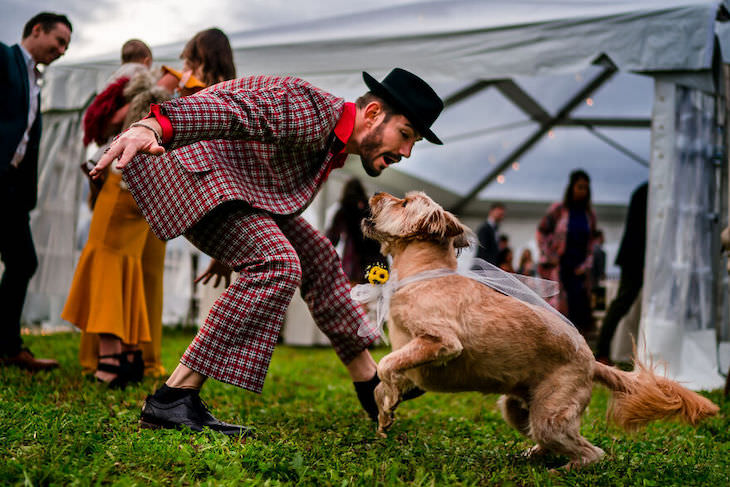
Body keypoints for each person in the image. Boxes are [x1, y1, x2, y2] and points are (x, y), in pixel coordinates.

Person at [91, 68, 444, 434]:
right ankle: (173, 399)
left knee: (318, 257)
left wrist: (230, 243)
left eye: (413, 142)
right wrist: (153, 126)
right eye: (405, 135)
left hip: (227, 188)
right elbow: (232, 109)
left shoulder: (332, 140)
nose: (406, 152)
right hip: (187, 168)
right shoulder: (313, 111)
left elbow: (259, 175)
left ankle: (369, 382)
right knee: (278, 263)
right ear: (372, 114)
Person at [63, 30, 237, 387]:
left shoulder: (178, 85)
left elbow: (117, 123)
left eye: (189, 57)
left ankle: (110, 359)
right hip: (161, 193)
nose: (184, 64)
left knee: (107, 259)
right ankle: (132, 355)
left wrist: (149, 93)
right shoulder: (228, 96)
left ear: (197, 58)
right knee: (138, 271)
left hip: (129, 180)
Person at [0, 12, 72, 371]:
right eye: (59, 41)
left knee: (23, 260)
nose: (62, 50)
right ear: (36, 30)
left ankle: (8, 346)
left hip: (12, 188)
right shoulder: (3, 57)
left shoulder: (36, 80)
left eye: (66, 46)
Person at [536, 169, 597, 336]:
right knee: (558, 307)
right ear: (571, 188)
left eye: (585, 188)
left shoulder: (589, 215)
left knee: (579, 309)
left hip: (579, 270)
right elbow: (541, 231)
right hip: (560, 266)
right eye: (579, 187)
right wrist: (549, 255)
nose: (582, 191)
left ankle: (578, 345)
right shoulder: (559, 210)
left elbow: (592, 243)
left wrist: (585, 265)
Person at [595, 182, 647, 364]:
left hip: (634, 258)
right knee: (621, 305)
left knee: (620, 305)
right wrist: (643, 260)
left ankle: (602, 350)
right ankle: (602, 352)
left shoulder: (643, 191)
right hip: (635, 259)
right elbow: (640, 230)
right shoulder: (647, 193)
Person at [325, 178, 386, 285]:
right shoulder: (371, 208)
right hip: (377, 260)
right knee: (376, 296)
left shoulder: (343, 209)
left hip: (353, 263)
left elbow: (333, 238)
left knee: (355, 296)